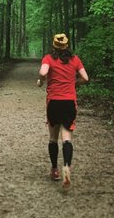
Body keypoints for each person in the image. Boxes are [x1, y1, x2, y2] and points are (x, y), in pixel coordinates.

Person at [36, 33, 89, 188]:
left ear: (54, 45)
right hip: (69, 103)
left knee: (53, 138)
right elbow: (85, 78)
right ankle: (66, 166)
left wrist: (41, 80)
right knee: (66, 138)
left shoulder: (48, 58)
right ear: (67, 45)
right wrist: (74, 83)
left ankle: (54, 170)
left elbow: (43, 72)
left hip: (54, 102)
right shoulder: (75, 60)